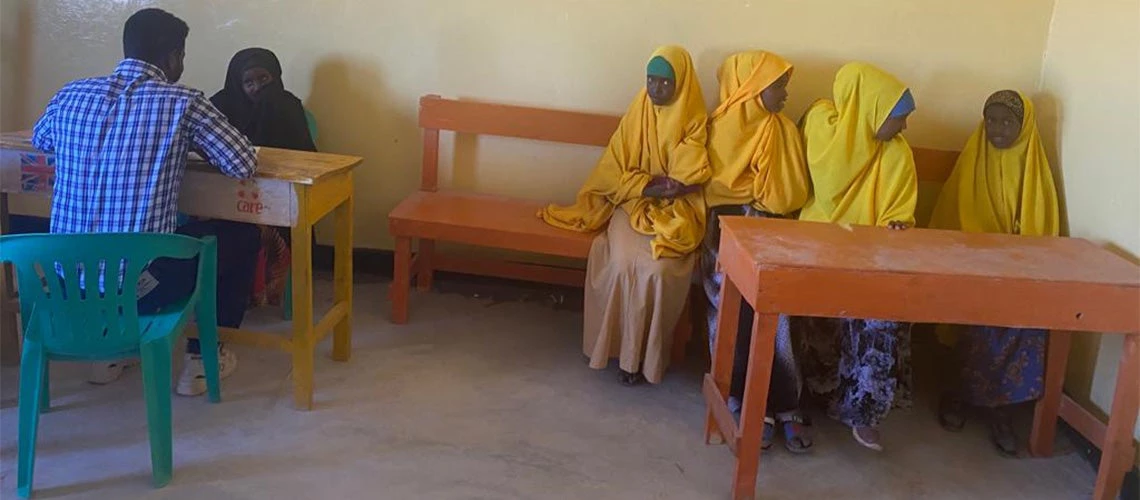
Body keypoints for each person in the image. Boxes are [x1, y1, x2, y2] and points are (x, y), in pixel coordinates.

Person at [30, 8, 259, 396]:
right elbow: (242, 162)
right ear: (172, 56)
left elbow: (41, 140)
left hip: (68, 284)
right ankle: (203, 359)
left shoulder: (70, 94)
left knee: (119, 240)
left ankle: (104, 353)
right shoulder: (183, 102)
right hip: (143, 287)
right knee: (239, 234)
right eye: (182, 57)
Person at [540, 46, 709, 386]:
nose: (656, 89)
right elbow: (611, 172)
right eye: (651, 80)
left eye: (665, 82)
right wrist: (645, 186)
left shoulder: (694, 120)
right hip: (631, 206)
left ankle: (647, 359)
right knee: (621, 264)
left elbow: (690, 176)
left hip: (676, 215)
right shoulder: (637, 113)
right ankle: (621, 355)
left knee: (658, 271)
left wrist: (674, 187)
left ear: (682, 84)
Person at [794, 62, 918, 451]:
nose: (903, 127)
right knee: (799, 301)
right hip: (816, 242)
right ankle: (810, 394)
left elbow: (899, 211)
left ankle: (863, 409)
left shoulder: (896, 154)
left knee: (880, 313)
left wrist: (898, 223)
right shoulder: (823, 127)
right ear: (872, 110)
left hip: (870, 253)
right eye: (898, 118)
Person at [930, 90, 1059, 456]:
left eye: (1007, 121)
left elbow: (1042, 230)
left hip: (1018, 269)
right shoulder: (974, 157)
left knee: (1027, 317)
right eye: (992, 120)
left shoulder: (1034, 167)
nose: (998, 129)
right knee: (974, 308)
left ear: (1024, 125)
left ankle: (1000, 407)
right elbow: (949, 220)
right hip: (967, 266)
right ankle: (958, 394)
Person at [702, 51, 812, 452]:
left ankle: (784, 402)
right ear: (750, 87)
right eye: (777, 86)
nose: (785, 94)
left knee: (778, 312)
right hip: (724, 230)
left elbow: (791, 194)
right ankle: (738, 398)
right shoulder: (717, 129)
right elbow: (711, 188)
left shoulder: (781, 129)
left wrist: (765, 207)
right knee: (733, 307)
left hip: (774, 231)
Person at [211, 48, 317, 308]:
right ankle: (227, 290)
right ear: (237, 82)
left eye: (264, 79)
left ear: (276, 78)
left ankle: (268, 291)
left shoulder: (287, 105)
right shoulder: (219, 106)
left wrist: (274, 110)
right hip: (225, 194)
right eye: (249, 82)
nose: (257, 87)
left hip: (278, 195)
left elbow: (306, 157)